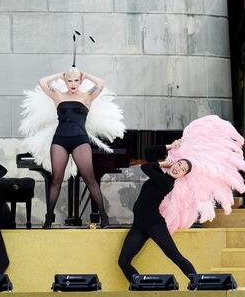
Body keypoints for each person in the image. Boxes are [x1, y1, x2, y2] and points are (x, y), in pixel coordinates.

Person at [117, 140, 196, 283]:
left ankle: (197, 282)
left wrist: (162, 164)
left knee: (174, 255)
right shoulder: (160, 174)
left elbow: (145, 167)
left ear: (182, 175)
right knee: (123, 262)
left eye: (183, 169)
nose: (178, 168)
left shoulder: (167, 183)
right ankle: (140, 286)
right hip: (139, 226)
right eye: (179, 164)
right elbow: (149, 152)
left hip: (154, 224)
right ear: (174, 163)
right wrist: (170, 146)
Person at [38, 68, 108, 228]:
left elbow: (101, 83)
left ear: (81, 81)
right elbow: (42, 82)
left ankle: (104, 217)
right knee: (56, 179)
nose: (73, 84)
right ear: (65, 81)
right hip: (60, 140)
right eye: (69, 80)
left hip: (80, 141)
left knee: (89, 178)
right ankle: (49, 219)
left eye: (76, 80)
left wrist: (86, 74)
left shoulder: (87, 96)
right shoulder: (58, 95)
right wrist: (60, 75)